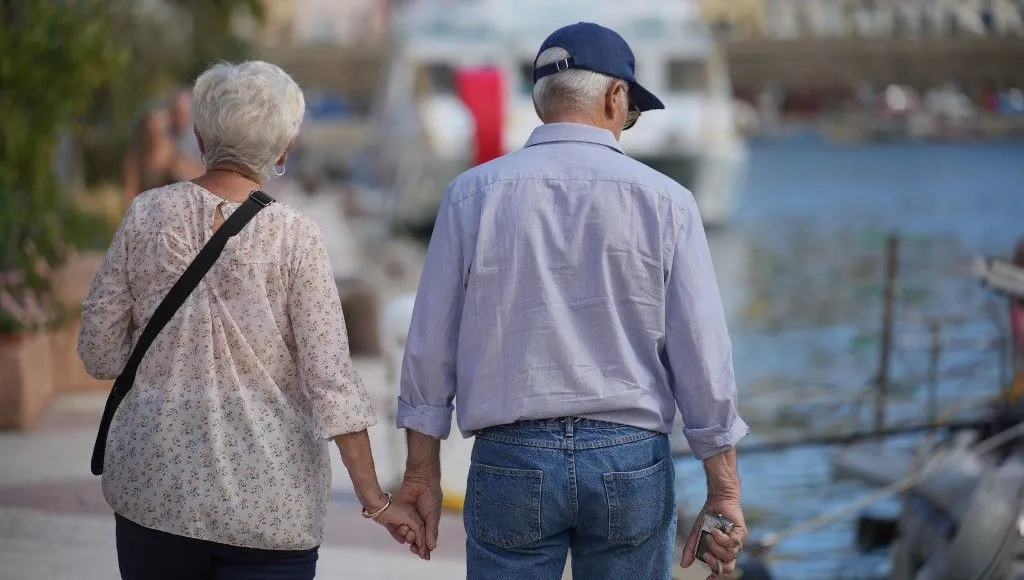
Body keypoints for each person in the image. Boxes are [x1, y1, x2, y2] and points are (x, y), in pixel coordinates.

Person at [391, 22, 749, 580]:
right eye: (631, 112)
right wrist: (723, 488)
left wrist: (421, 471)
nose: (626, 124)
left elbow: (429, 343)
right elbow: (702, 354)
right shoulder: (669, 202)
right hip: (630, 459)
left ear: (542, 104)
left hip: (511, 456)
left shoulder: (471, 195)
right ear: (614, 97)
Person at [79, 60, 426, 580]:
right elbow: (330, 382)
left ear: (199, 136)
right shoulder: (296, 237)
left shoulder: (144, 215)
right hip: (269, 504)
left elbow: (99, 352)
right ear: (284, 149)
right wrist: (376, 501)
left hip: (155, 494)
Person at [121, 105, 204, 208]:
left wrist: (174, 167)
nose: (154, 137)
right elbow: (129, 193)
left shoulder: (176, 156)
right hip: (145, 213)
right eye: (150, 131)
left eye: (160, 132)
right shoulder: (135, 157)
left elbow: (201, 180)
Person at [168, 88, 204, 164]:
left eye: (181, 114)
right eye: (174, 113)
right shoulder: (165, 133)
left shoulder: (199, 139)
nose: (177, 119)